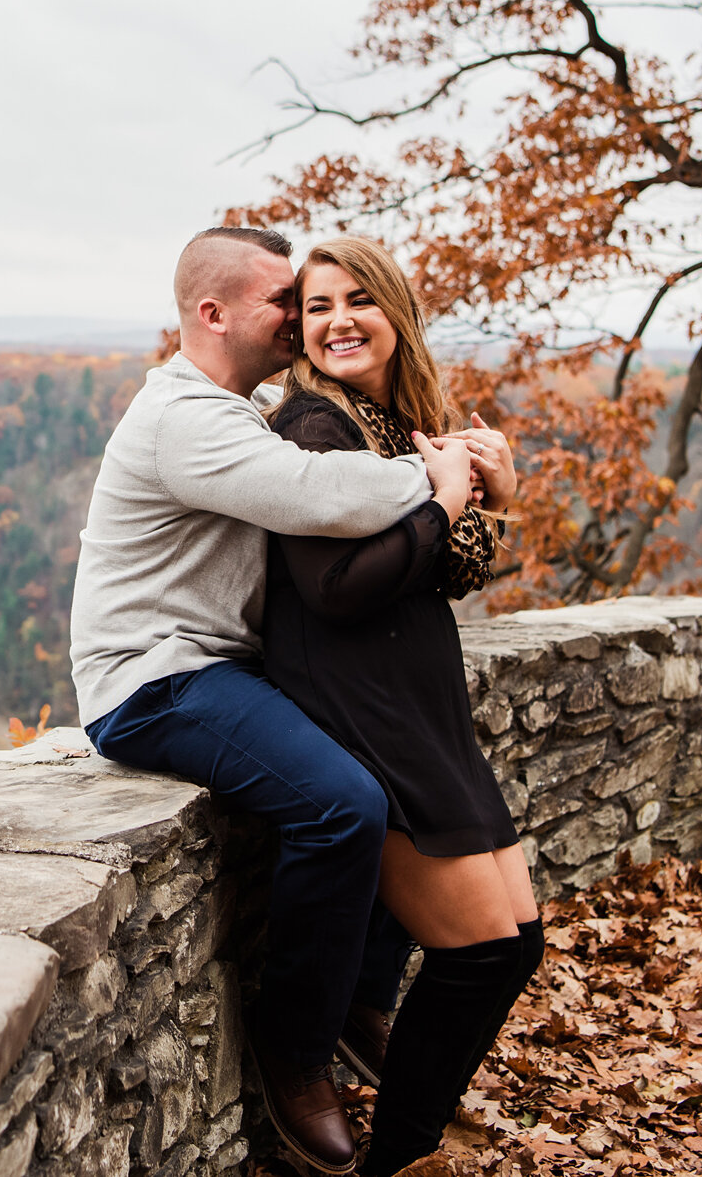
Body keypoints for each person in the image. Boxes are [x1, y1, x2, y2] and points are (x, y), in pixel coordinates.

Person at [69, 225, 443, 1174]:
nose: (299, 315)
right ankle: (297, 1056)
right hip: (154, 682)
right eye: (285, 299)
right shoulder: (183, 418)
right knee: (339, 803)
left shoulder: (245, 404)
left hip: (223, 668)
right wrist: (441, 482)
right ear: (212, 313)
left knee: (394, 762)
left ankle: (364, 1001)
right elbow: (320, 495)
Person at [261, 236, 542, 1177]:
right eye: (317, 305)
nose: (337, 321)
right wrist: (441, 499)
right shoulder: (313, 427)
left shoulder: (392, 417)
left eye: (357, 301)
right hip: (357, 702)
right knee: (473, 956)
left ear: (396, 311)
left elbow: (443, 573)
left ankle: (412, 1136)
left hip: (420, 699)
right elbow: (334, 586)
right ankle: (404, 1160)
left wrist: (487, 501)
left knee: (515, 945)